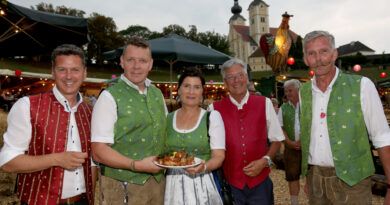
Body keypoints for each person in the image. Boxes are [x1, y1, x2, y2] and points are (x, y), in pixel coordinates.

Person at [300, 30, 390, 204]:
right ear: (305, 59)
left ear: (335, 54)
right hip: (315, 179)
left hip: (353, 182)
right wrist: (309, 178)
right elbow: (307, 136)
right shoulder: (303, 91)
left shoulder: (361, 86)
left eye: (324, 51)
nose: (318, 59)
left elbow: (382, 137)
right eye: (312, 53)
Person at [0, 44, 96, 205]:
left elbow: (93, 162)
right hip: (39, 201)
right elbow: (7, 162)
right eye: (62, 69)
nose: (69, 76)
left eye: (75, 70)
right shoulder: (27, 106)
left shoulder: (91, 112)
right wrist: (56, 159)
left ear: (84, 73)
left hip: (83, 201)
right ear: (52, 72)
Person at [91, 36, 167, 205]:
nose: (136, 66)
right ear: (122, 62)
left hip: (158, 185)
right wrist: (137, 165)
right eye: (131, 60)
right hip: (121, 187)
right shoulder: (109, 96)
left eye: (142, 60)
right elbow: (98, 150)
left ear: (150, 64)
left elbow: (164, 133)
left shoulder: (157, 94)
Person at [209, 58, 285, 205]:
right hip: (230, 185)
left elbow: (276, 139)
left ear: (247, 78)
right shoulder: (214, 109)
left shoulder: (265, 103)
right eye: (230, 77)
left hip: (260, 184)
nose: (236, 80)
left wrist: (265, 161)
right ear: (225, 83)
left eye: (240, 75)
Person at [164, 67, 225, 205]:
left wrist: (203, 167)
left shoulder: (212, 117)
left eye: (196, 87)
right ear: (179, 90)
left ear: (202, 91)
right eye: (186, 86)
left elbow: (219, 157)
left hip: (202, 184)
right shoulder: (168, 118)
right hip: (171, 184)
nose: (191, 92)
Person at [277, 79, 302, 205]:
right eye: (286, 91)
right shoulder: (283, 108)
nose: (287, 93)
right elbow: (280, 128)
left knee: (312, 176)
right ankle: (294, 203)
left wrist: (304, 141)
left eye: (290, 90)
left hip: (309, 147)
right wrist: (289, 142)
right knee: (292, 177)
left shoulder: (308, 105)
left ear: (299, 90)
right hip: (290, 148)